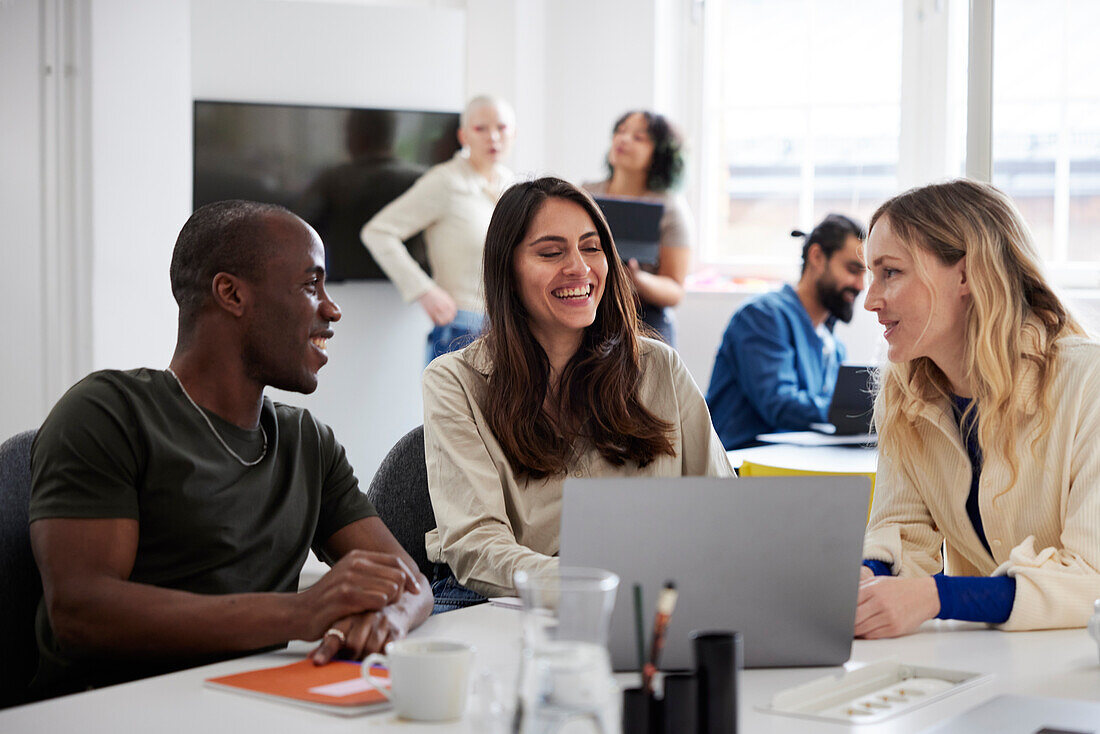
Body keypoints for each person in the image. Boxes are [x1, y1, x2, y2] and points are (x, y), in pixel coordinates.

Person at [28, 201, 431, 699]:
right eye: (311, 285)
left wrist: (388, 619)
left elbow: (412, 583)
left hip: (252, 701)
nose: (332, 308)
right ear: (231, 293)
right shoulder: (108, 413)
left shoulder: (309, 442)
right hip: (111, 710)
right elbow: (81, 611)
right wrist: (302, 613)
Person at [421, 178, 733, 611]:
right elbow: (475, 544)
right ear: (506, 272)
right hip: (511, 608)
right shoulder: (455, 381)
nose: (580, 268)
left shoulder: (660, 367)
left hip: (655, 604)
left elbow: (723, 508)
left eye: (591, 248)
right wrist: (597, 587)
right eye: (551, 253)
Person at [856, 179, 1100, 638]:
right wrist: (868, 581)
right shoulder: (904, 396)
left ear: (966, 276)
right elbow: (903, 533)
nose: (870, 299)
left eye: (890, 272)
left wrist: (939, 596)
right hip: (985, 666)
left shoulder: (1090, 384)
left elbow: (1092, 577)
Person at [360, 95, 515, 364]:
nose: (493, 137)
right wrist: (424, 290)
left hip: (510, 332)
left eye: (501, 128)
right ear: (463, 135)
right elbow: (378, 232)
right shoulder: (444, 181)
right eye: (481, 128)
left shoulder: (513, 186)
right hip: (461, 331)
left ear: (513, 134)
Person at [706, 214, 867, 449]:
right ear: (817, 257)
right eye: (853, 270)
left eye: (866, 274)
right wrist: (853, 411)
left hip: (800, 468)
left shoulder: (834, 345)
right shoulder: (761, 317)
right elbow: (779, 404)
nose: (861, 285)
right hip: (743, 470)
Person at [583, 110, 691, 346]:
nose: (623, 139)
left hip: (644, 319)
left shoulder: (670, 207)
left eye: (638, 137)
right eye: (620, 131)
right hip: (589, 311)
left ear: (660, 154)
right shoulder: (584, 195)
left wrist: (636, 279)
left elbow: (674, 290)